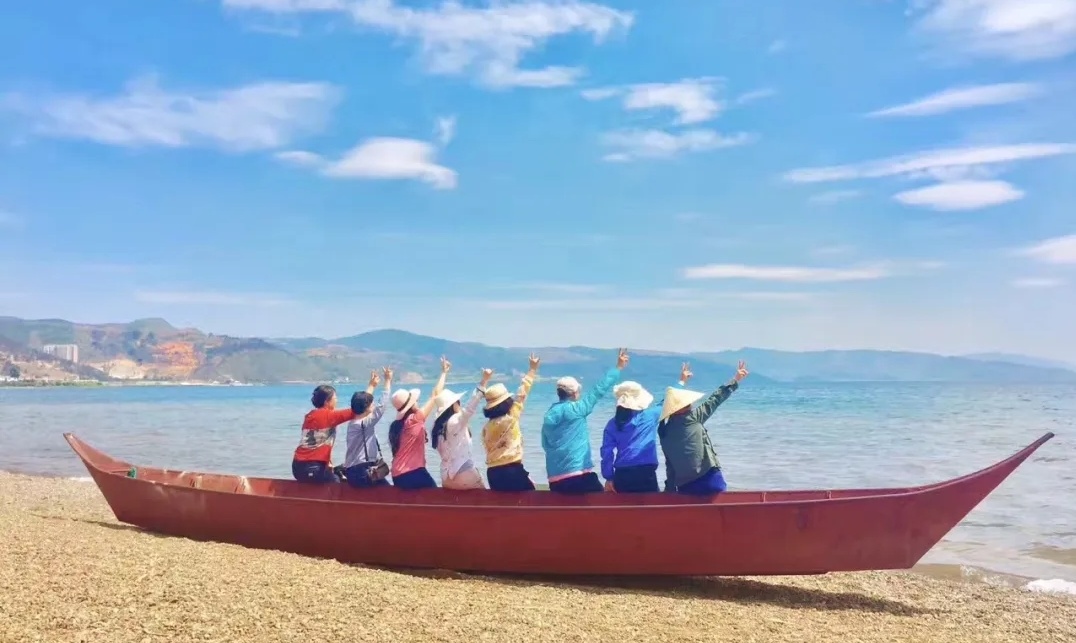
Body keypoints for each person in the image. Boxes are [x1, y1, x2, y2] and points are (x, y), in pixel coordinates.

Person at [540, 348, 629, 494]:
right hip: (579, 475)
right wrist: (618, 367)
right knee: (604, 502)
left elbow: (545, 444)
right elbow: (599, 389)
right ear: (575, 393)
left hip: (554, 479)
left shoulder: (549, 413)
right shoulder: (578, 409)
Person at [658, 360, 749, 495]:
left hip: (685, 487)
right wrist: (736, 379)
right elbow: (716, 399)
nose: (691, 405)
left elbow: (670, 466)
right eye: (688, 403)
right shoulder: (693, 418)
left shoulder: (664, 431)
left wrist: (669, 490)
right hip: (710, 480)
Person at [599, 363, 693, 494]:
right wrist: (681, 381)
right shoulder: (649, 416)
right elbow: (667, 401)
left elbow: (606, 453)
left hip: (622, 474)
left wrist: (609, 477)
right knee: (651, 505)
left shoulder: (612, 424)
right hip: (646, 472)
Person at [388, 356, 451, 489]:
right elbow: (435, 395)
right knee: (435, 495)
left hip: (397, 475)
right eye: (415, 401)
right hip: (413, 472)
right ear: (411, 405)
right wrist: (444, 372)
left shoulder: (396, 425)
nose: (417, 402)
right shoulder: (414, 420)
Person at [481, 353, 540, 492]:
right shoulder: (511, 417)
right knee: (531, 497)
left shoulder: (486, 428)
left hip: (492, 473)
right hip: (512, 469)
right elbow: (522, 392)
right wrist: (532, 369)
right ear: (507, 401)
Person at [431, 368, 494, 490]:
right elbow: (470, 407)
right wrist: (484, 381)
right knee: (486, 498)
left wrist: (444, 372)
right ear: (454, 405)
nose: (460, 404)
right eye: (458, 402)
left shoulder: (437, 426)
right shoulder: (455, 421)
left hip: (445, 478)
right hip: (463, 475)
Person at [292, 383, 356, 483]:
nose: (337, 400)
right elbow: (357, 409)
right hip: (313, 468)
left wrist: (328, 463)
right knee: (336, 481)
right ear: (327, 401)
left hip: (297, 468)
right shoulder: (329, 416)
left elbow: (317, 443)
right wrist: (372, 386)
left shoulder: (309, 416)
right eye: (335, 398)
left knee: (338, 472)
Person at [343, 367, 393, 488]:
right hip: (363, 472)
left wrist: (372, 385)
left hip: (352, 471)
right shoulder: (365, 424)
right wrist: (387, 381)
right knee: (388, 493)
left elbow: (362, 402)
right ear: (366, 408)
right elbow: (381, 407)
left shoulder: (353, 421)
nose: (373, 405)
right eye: (372, 404)